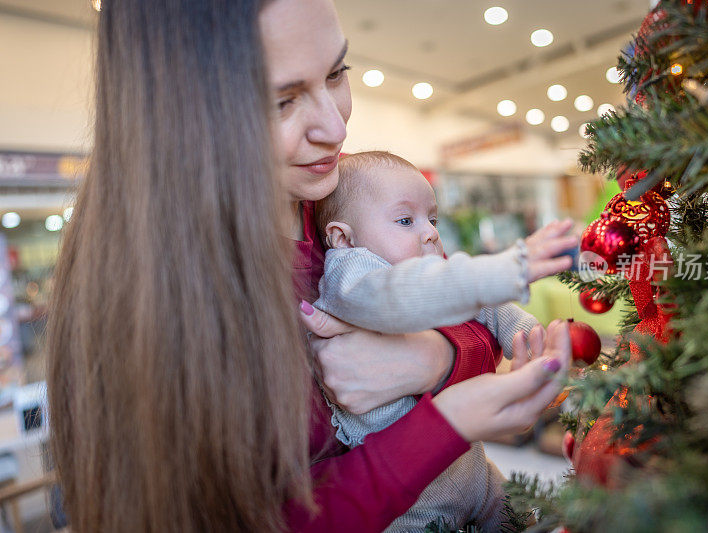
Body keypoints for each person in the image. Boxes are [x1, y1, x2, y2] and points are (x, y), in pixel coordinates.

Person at [45, 1, 575, 532]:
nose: (335, 125)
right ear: (184, 117)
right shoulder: (154, 297)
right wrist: (446, 422)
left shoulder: (335, 200)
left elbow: (439, 298)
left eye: (337, 73)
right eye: (282, 101)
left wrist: (431, 359)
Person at [311, 151, 574, 531]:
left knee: (521, 515)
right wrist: (500, 269)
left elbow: (485, 308)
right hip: (411, 498)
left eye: (432, 219)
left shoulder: (426, 269)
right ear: (342, 237)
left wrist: (527, 334)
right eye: (406, 220)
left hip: (471, 466)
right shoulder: (351, 274)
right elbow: (401, 296)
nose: (431, 231)